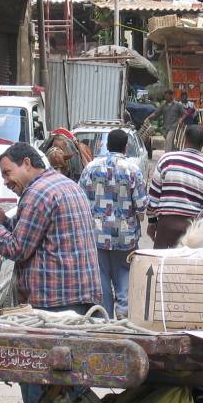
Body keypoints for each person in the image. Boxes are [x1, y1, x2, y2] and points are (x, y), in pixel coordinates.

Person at [0, 143, 102, 403]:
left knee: (38, 380)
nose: (6, 181)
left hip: (54, 306)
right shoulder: (64, 184)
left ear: (27, 163)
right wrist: (4, 221)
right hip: (78, 301)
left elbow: (17, 248)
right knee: (71, 381)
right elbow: (37, 235)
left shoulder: (37, 193)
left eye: (7, 173)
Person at [78, 129, 148, 318]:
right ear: (125, 147)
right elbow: (141, 205)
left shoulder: (90, 168)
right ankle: (124, 313)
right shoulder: (133, 170)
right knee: (125, 274)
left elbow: (80, 198)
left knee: (100, 277)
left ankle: (104, 317)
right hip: (125, 236)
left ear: (107, 145)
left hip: (96, 235)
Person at [147, 125, 203, 248]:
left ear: (185, 138)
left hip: (165, 227)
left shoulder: (167, 160)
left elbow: (153, 195)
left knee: (161, 259)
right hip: (192, 231)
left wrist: (152, 222)